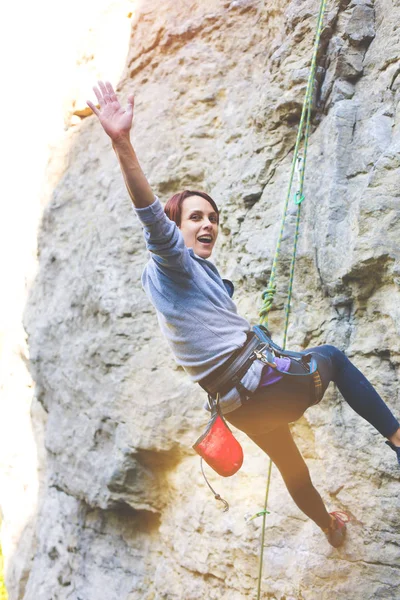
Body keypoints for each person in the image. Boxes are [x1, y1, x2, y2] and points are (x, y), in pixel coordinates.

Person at [87, 81, 400, 548]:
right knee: (331, 355)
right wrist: (122, 143)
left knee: (291, 466)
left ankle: (331, 529)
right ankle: (397, 439)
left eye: (213, 217)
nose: (208, 224)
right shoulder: (173, 262)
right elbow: (150, 215)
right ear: (176, 228)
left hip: (239, 407)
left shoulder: (186, 282)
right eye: (195, 217)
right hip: (260, 385)